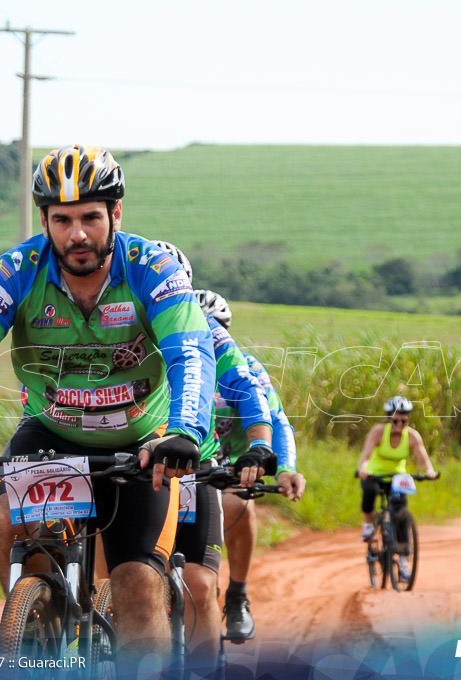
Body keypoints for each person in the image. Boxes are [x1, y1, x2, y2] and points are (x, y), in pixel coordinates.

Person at [0, 144, 217, 668]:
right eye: (62, 220)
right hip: (52, 429)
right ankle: (36, 632)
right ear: (45, 220)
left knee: (136, 583)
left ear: (115, 214)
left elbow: (191, 350)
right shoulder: (14, 272)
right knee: (7, 515)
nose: (77, 234)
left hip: (143, 440)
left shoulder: (151, 267)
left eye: (90, 217)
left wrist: (186, 432)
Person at [148, 248, 276, 666]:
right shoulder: (119, 317)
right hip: (134, 465)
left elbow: (248, 388)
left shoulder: (206, 330)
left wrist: (262, 447)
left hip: (195, 466)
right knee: (112, 581)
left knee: (201, 587)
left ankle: (218, 636)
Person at [197, 289, 305, 642]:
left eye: (215, 330)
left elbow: (277, 419)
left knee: (240, 505)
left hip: (231, 468)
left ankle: (237, 595)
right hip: (183, 466)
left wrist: (285, 467)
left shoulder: (246, 370)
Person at [356, 396, 438, 582]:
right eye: (396, 420)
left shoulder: (412, 436)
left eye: (404, 420)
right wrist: (363, 469)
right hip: (375, 474)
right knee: (369, 490)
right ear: (388, 418)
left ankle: (402, 563)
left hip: (398, 477)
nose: (400, 424)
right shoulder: (378, 432)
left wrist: (429, 471)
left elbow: (422, 457)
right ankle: (369, 525)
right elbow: (366, 455)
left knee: (401, 514)